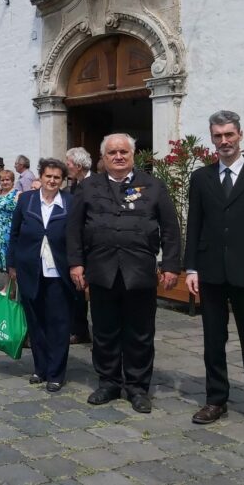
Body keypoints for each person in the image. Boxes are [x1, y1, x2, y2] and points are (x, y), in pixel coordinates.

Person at [185, 111, 244, 438]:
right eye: (218, 136)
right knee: (214, 340)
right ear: (212, 138)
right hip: (211, 272)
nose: (224, 141)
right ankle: (216, 399)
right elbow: (194, 225)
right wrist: (192, 267)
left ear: (240, 134)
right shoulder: (201, 178)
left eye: (229, 134)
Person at [67, 133, 181, 413]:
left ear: (133, 155)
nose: (118, 157)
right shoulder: (89, 186)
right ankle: (108, 382)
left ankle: (138, 387)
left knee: (140, 333)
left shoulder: (153, 186)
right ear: (103, 158)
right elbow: (74, 228)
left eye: (124, 152)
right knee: (105, 331)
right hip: (102, 270)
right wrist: (76, 263)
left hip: (139, 271)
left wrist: (170, 265)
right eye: (112, 153)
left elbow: (170, 229)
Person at [8, 158, 75, 392]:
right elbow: (14, 233)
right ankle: (41, 367)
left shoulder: (70, 202)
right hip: (30, 269)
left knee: (58, 323)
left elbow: (78, 238)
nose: (52, 181)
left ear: (62, 180)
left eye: (57, 177)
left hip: (59, 272)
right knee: (35, 322)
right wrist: (12, 265)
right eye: (48, 176)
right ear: (41, 176)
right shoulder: (26, 200)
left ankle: (56, 373)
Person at [64, 146, 94, 345]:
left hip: (94, 246)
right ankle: (80, 329)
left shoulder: (96, 183)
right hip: (78, 247)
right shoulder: (73, 186)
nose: (67, 168)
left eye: (68, 164)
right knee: (77, 290)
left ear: (78, 165)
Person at [0, 169, 19, 274]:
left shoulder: (17, 194)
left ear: (12, 181)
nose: (5, 182)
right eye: (2, 180)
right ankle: (8, 286)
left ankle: (13, 288)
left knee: (10, 259)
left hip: (9, 231)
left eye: (7, 180)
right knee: (2, 259)